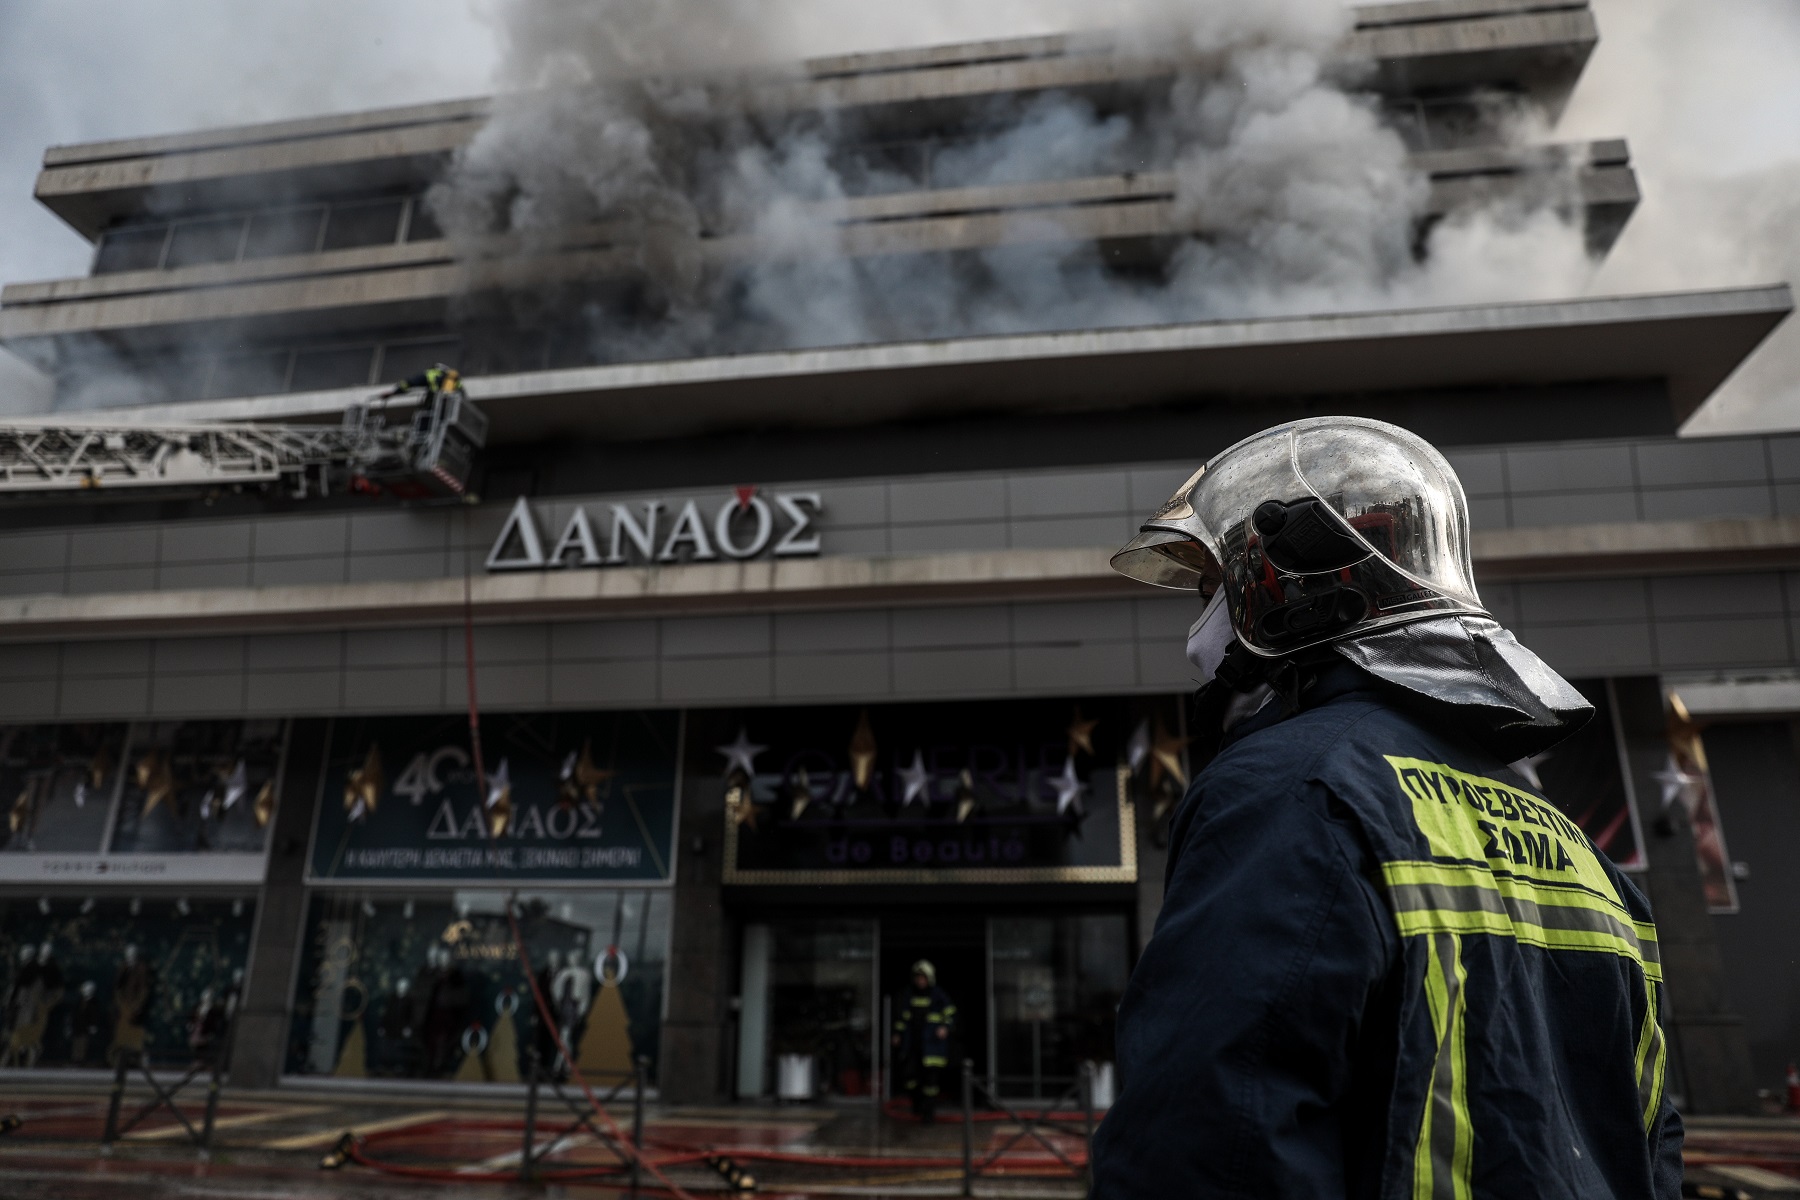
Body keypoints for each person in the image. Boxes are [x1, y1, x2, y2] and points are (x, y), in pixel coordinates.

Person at [1091, 417, 1679, 1199]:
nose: (1201, 622)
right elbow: (1650, 1140)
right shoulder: (1574, 842)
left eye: (1212, 590)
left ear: (1290, 589)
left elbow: (1209, 1144)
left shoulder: (1291, 789)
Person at [891, 960, 956, 1122]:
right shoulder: (909, 994)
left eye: (923, 978)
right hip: (913, 1045)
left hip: (932, 1047)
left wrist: (944, 1027)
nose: (920, 981)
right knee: (910, 1078)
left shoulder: (938, 995)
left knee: (930, 1083)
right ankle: (917, 1106)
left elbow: (951, 1013)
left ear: (930, 978)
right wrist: (898, 1033)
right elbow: (902, 1017)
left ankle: (928, 1114)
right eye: (918, 978)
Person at [379, 363, 462, 402]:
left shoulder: (431, 374)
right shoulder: (455, 379)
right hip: (450, 410)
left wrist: (393, 393)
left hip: (434, 408)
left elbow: (409, 383)